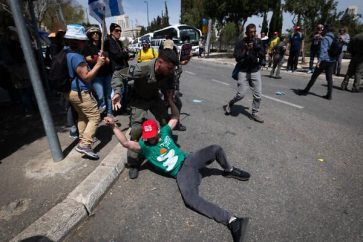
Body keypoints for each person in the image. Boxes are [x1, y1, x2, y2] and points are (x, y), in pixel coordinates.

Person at [104, 90, 250, 242]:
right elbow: (126, 143)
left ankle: (229, 170)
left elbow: (175, 117)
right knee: (190, 199)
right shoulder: (144, 146)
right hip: (181, 173)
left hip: (190, 160)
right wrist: (114, 126)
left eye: (152, 136)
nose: (150, 140)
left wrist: (171, 101)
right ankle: (233, 221)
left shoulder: (165, 132)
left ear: (158, 131)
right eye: (148, 137)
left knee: (215, 149)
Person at [111, 48, 179, 179]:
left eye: (173, 69)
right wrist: (118, 92)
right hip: (139, 99)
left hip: (154, 98)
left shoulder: (169, 71)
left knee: (165, 121)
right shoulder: (142, 68)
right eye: (169, 68)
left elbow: (171, 81)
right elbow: (118, 75)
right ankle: (133, 163)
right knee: (136, 129)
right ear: (159, 62)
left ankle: (165, 148)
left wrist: (169, 94)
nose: (171, 71)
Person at [63, 24, 106, 159]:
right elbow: (86, 77)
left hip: (72, 92)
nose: (85, 43)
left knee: (82, 116)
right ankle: (85, 144)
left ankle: (82, 139)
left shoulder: (67, 53)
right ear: (78, 41)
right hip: (81, 92)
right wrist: (98, 64)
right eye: (83, 41)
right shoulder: (76, 57)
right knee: (95, 117)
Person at [223, 23, 265, 123]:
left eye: (254, 32)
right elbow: (237, 57)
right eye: (251, 32)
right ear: (246, 33)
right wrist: (246, 49)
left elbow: (263, 54)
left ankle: (255, 113)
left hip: (255, 71)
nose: (253, 34)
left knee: (258, 95)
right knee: (241, 94)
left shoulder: (258, 41)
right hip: (243, 71)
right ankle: (230, 103)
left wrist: (258, 49)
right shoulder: (241, 43)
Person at [297, 25, 336, 100]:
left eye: (323, 29)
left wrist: (319, 61)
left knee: (314, 76)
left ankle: (306, 91)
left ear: (326, 30)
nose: (322, 30)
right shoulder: (334, 38)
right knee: (329, 78)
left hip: (324, 61)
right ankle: (329, 95)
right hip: (332, 61)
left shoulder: (325, 38)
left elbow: (323, 51)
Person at [84, 26, 113, 119]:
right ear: (90, 35)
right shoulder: (88, 46)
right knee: (100, 95)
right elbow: (88, 58)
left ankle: (109, 113)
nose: (96, 35)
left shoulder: (103, 45)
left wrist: (104, 57)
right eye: (93, 33)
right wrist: (97, 58)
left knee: (108, 95)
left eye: (97, 33)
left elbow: (108, 60)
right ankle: (101, 111)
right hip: (96, 76)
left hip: (107, 74)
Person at [160, 36, 188, 131]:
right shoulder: (162, 57)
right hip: (166, 85)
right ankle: (166, 125)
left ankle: (174, 123)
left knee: (174, 103)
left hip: (172, 84)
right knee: (170, 103)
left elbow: (179, 68)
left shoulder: (173, 56)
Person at [106, 23, 130, 114]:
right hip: (116, 70)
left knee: (125, 90)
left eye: (120, 31)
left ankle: (123, 108)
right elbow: (117, 55)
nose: (119, 32)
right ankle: (116, 110)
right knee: (118, 90)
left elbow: (125, 55)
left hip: (124, 68)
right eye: (117, 30)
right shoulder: (108, 41)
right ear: (111, 32)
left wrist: (125, 54)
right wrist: (125, 54)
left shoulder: (119, 42)